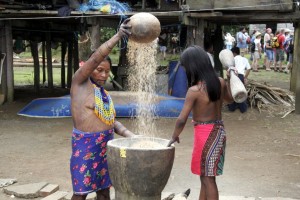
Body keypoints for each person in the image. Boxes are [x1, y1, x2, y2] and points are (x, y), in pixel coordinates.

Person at [70, 19, 135, 200]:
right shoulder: (79, 83)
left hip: (106, 146)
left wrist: (131, 136)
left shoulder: (103, 93)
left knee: (104, 191)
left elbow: (109, 120)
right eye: (99, 70)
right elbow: (96, 57)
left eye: (107, 72)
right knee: (80, 193)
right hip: (85, 147)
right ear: (89, 69)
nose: (104, 75)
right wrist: (118, 36)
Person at [167, 45, 233, 200]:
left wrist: (174, 135)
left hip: (205, 135)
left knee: (208, 178)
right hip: (219, 132)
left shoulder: (194, 91)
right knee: (205, 176)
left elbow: (181, 119)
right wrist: (231, 78)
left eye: (185, 67)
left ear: (192, 67)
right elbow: (230, 99)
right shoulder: (220, 82)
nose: (184, 70)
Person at [227, 47, 251, 113]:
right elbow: (249, 68)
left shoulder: (232, 59)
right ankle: (243, 108)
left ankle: (232, 107)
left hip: (234, 76)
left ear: (233, 53)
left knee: (233, 92)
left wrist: (229, 79)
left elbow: (229, 71)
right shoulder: (244, 59)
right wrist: (245, 77)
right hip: (241, 76)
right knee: (241, 92)